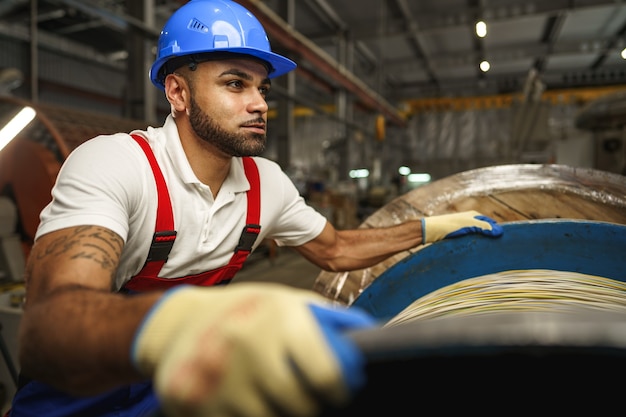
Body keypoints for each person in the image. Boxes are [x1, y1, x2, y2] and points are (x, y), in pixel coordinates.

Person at [9, 1, 503, 416]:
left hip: (175, 383)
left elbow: (336, 249)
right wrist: (180, 325)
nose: (260, 104)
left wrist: (429, 228)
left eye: (262, 88)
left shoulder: (266, 184)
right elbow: (50, 323)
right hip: (78, 389)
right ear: (177, 92)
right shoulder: (117, 163)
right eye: (234, 84)